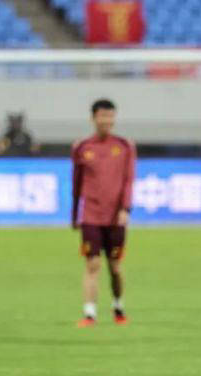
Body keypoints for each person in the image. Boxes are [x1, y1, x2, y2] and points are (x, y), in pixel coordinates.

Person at [71, 99, 136, 327]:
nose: (106, 121)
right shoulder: (82, 147)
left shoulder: (125, 146)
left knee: (115, 267)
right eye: (102, 116)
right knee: (92, 264)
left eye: (110, 116)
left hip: (116, 216)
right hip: (91, 215)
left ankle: (118, 306)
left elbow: (128, 180)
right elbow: (76, 183)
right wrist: (74, 214)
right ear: (93, 118)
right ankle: (90, 313)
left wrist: (125, 209)